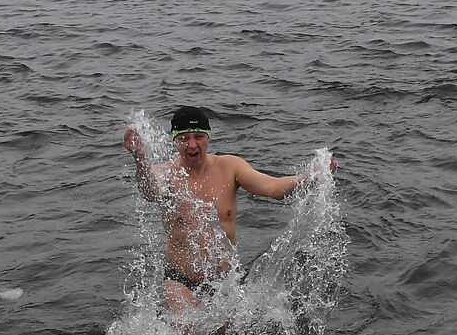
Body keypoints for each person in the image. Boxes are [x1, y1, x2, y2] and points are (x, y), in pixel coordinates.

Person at [121, 106, 338, 313]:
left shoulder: (230, 167)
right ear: (175, 141)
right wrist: (140, 159)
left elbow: (273, 188)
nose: (192, 145)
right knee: (187, 330)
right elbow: (150, 192)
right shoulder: (166, 173)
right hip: (179, 279)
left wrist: (312, 177)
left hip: (224, 282)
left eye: (198, 136)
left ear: (208, 137)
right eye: (184, 138)